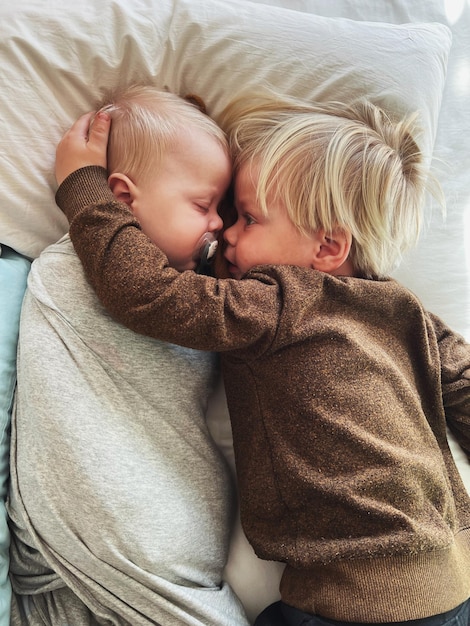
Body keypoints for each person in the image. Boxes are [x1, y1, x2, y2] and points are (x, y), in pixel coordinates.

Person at [54, 93, 470, 626]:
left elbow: (147, 294)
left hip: (356, 598)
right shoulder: (406, 311)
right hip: (452, 580)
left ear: (327, 248)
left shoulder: (276, 301)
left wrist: (85, 187)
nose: (226, 231)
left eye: (248, 218)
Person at [7, 85, 252, 625]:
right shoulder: (77, 271)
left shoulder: (194, 290)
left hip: (165, 548)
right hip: (115, 542)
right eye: (203, 205)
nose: (218, 225)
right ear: (120, 200)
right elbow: (125, 274)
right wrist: (82, 184)